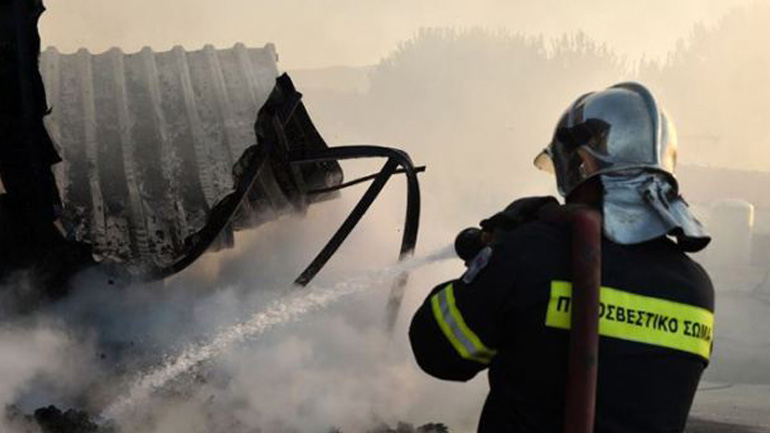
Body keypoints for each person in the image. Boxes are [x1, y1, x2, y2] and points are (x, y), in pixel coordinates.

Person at [409, 82, 715, 433]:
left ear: (583, 163)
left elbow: (439, 351)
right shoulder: (697, 290)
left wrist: (492, 260)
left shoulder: (532, 254)